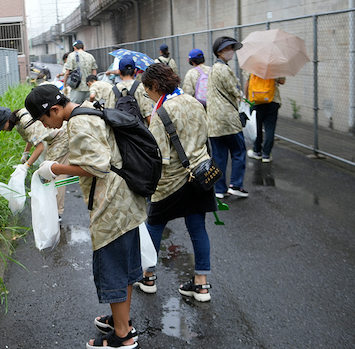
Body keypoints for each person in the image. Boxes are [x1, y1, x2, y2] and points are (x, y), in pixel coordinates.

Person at [25, 84, 145, 349]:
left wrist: (53, 167)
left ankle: (123, 336)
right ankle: (120, 320)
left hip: (111, 206)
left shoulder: (79, 122)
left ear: (54, 110)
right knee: (123, 268)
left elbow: (96, 166)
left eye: (45, 120)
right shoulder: (88, 109)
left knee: (112, 269)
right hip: (125, 201)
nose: (46, 126)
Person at [134, 63, 216, 302]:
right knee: (198, 228)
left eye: (147, 89)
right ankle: (201, 285)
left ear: (156, 86)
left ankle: (147, 276)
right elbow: (204, 136)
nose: (147, 94)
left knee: (154, 227)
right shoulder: (194, 102)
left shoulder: (162, 113)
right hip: (199, 177)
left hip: (171, 182)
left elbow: (159, 156)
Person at [0, 107, 70, 218]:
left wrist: (26, 166)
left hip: (61, 136)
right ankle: (50, 206)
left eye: (2, 126)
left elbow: (40, 147)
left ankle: (57, 212)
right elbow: (31, 139)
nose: (3, 129)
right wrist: (26, 153)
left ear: (7, 120)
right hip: (52, 139)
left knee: (54, 172)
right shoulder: (18, 121)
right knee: (47, 173)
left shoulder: (25, 120)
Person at [206, 36, 248, 199]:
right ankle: (236, 185)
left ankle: (219, 189)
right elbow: (235, 91)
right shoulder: (224, 69)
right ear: (220, 52)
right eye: (228, 48)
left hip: (215, 121)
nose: (232, 51)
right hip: (228, 119)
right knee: (238, 150)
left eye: (232, 48)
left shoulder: (213, 69)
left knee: (219, 156)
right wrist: (243, 97)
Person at [245, 75, 286, 163]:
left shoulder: (253, 64)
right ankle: (266, 155)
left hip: (256, 100)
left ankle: (257, 151)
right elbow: (282, 81)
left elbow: (247, 83)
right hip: (272, 100)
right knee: (269, 128)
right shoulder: (276, 65)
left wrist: (246, 99)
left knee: (256, 128)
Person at [106, 55, 153, 125]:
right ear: (135, 71)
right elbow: (148, 113)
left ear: (119, 72)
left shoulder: (113, 90)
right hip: (140, 132)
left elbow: (109, 114)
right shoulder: (141, 87)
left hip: (121, 133)